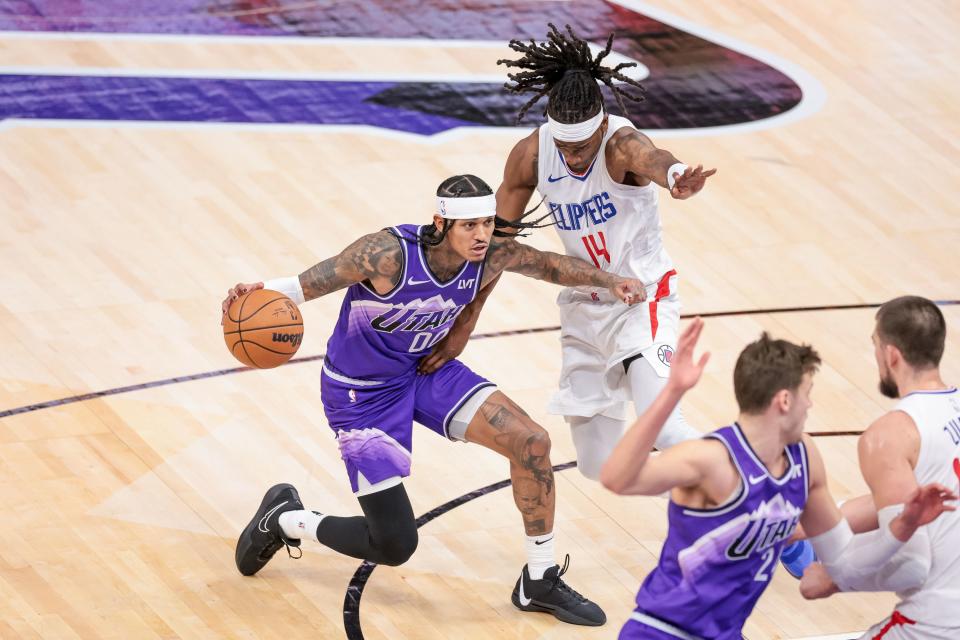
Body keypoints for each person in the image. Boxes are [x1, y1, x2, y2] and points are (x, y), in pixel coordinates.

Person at [221, 174, 649, 627]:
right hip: (359, 396)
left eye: (487, 223)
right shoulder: (386, 254)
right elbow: (306, 285)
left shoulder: (492, 255)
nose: (482, 234)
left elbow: (547, 265)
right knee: (394, 545)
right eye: (469, 226)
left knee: (532, 442)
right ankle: (286, 519)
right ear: (441, 223)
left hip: (424, 372)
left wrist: (611, 280)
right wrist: (255, 294)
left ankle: (539, 579)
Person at [418, 23, 717, 481]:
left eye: (582, 148)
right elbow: (496, 247)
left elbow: (653, 158)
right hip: (584, 308)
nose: (574, 158)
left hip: (644, 301)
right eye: (565, 148)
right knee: (602, 468)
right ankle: (717, 498)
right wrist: (464, 324)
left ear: (601, 124)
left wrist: (674, 173)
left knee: (666, 429)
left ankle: (757, 494)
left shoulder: (621, 144)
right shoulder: (531, 154)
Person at [599, 317, 956, 639]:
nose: (810, 405)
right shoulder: (713, 459)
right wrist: (672, 392)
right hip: (664, 632)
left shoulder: (805, 458)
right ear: (784, 400)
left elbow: (843, 560)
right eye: (808, 394)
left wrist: (903, 525)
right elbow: (616, 478)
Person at [795, 296, 960, 640]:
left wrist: (835, 577)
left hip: (936, 625)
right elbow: (913, 499)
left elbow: (911, 568)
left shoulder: (889, 435)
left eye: (875, 345)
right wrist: (812, 524)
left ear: (891, 354)